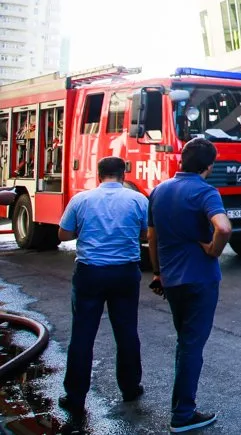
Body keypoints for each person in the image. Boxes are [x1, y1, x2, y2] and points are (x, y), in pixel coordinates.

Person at [147, 138, 232, 433]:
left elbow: (152, 238)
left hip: (171, 280)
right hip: (200, 280)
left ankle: (181, 407)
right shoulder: (206, 192)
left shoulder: (159, 190)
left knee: (185, 342)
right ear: (210, 165)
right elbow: (223, 227)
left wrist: (157, 273)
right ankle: (183, 413)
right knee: (191, 346)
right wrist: (214, 249)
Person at [57, 157, 148, 427]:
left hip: (89, 273)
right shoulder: (138, 201)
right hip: (125, 273)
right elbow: (145, 234)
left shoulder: (81, 200)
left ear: (99, 175)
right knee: (127, 331)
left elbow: (63, 235)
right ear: (123, 174)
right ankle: (130, 388)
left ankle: (75, 396)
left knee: (82, 335)